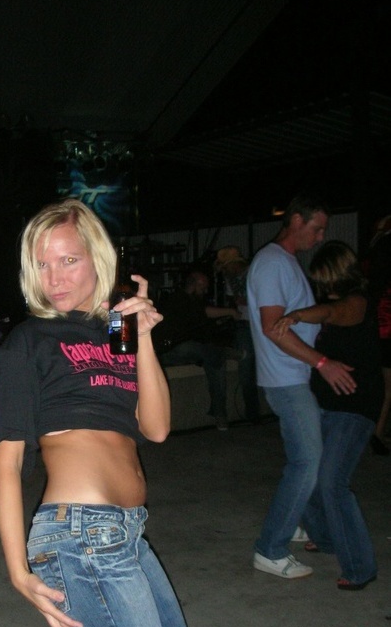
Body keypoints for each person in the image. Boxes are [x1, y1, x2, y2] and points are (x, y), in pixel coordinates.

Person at [0, 198, 195, 627]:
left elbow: (156, 428)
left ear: (97, 260)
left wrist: (142, 334)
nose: (54, 278)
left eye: (68, 260)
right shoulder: (27, 341)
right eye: (42, 264)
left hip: (128, 531)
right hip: (79, 534)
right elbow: (5, 465)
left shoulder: (117, 331)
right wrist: (18, 571)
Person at [246, 194, 357, 579]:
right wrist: (323, 363)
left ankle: (291, 521)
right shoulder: (273, 263)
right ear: (296, 220)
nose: (321, 236)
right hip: (287, 379)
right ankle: (270, 549)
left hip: (294, 377)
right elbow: (272, 328)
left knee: (306, 459)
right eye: (317, 228)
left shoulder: (285, 262)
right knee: (307, 462)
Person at [274, 240, 382, 590]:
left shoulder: (357, 301)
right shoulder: (333, 302)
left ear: (335, 274)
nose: (319, 283)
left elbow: (333, 312)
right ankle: (325, 537)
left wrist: (296, 316)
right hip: (325, 404)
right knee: (304, 470)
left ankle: (360, 567)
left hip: (354, 405)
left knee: (331, 482)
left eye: (322, 276)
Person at [153, 269, 239, 430]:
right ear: (194, 284)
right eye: (203, 287)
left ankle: (220, 413)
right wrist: (230, 312)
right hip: (169, 351)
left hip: (194, 350)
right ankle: (224, 352)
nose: (205, 291)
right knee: (190, 349)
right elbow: (203, 313)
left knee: (216, 361)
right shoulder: (177, 299)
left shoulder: (195, 301)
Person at [215, 246, 260, 423]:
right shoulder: (230, 277)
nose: (225, 271)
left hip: (259, 323)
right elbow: (232, 299)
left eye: (226, 267)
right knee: (245, 369)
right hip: (243, 324)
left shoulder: (254, 273)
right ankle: (252, 414)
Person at [367, 219, 391, 456]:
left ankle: (378, 430)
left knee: (383, 385)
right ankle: (377, 432)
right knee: (387, 387)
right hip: (387, 333)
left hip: (379, 331)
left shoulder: (375, 282)